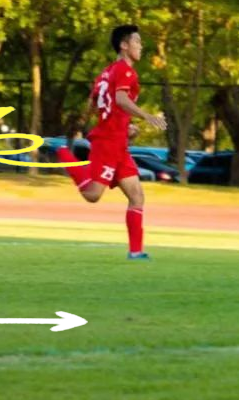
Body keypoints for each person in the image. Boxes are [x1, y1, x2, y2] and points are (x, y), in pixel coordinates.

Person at [56, 25, 167, 260]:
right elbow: (120, 99)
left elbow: (95, 103)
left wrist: (124, 126)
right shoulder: (125, 71)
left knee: (137, 195)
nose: (141, 46)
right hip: (108, 143)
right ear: (124, 45)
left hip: (116, 142)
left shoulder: (106, 72)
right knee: (93, 195)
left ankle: (136, 252)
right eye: (137, 42)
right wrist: (147, 116)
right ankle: (64, 154)